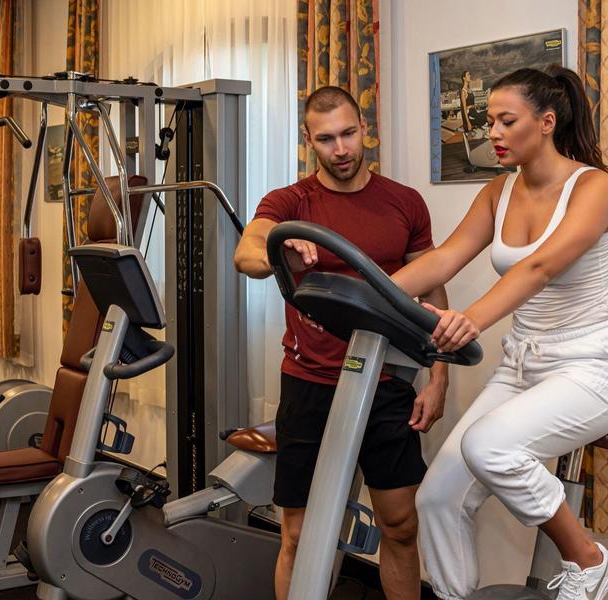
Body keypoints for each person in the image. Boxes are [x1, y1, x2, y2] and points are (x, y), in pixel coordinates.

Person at [391, 65, 608, 600]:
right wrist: (372, 292)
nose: (492, 134)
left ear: (546, 122)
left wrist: (471, 318)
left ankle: (590, 563)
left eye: (506, 121)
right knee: (437, 498)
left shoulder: (593, 186)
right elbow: (444, 259)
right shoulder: (498, 191)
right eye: (489, 122)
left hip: (592, 366)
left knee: (490, 448)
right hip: (522, 366)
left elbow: (539, 268)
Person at [233, 86, 449, 600]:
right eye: (327, 139)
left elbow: (434, 287)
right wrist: (279, 243)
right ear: (310, 141)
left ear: (364, 128)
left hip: (388, 381)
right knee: (301, 535)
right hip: (310, 383)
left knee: (400, 527)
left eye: (349, 133)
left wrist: (439, 377)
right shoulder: (290, 202)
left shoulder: (404, 202)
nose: (342, 149)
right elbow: (248, 254)